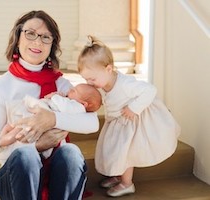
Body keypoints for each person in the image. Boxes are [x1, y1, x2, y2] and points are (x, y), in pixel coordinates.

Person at [0, 11, 99, 200]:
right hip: (17, 176)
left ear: (52, 45)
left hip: (56, 175)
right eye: (30, 33)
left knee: (71, 152)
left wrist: (52, 119)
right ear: (18, 38)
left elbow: (92, 123)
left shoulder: (61, 85)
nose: (37, 42)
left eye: (45, 37)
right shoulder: (2, 87)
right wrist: (36, 145)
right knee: (26, 157)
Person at [77, 35, 181, 197]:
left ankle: (127, 183)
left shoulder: (125, 84)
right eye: (86, 79)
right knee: (113, 151)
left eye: (92, 79)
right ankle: (118, 176)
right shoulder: (104, 84)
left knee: (124, 154)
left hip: (132, 124)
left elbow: (150, 90)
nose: (90, 83)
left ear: (109, 69)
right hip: (118, 123)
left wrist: (134, 108)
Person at [6, 83, 102, 158]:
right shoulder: (72, 101)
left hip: (41, 122)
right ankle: (2, 140)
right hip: (37, 124)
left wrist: (53, 115)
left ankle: (3, 140)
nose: (69, 90)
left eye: (73, 91)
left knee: (18, 128)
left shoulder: (76, 106)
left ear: (83, 104)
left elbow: (93, 124)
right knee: (18, 127)